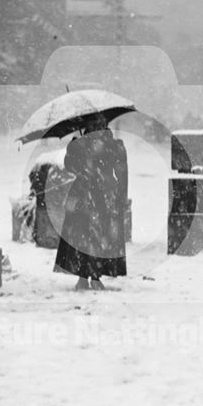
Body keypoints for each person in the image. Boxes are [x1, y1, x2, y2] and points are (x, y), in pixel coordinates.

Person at [54, 115, 128, 290]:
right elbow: (122, 174)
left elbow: (70, 167)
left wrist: (74, 146)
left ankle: (84, 276)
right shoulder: (113, 145)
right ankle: (93, 276)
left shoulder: (84, 144)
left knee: (83, 236)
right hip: (102, 196)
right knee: (97, 236)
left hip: (86, 195)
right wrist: (121, 197)